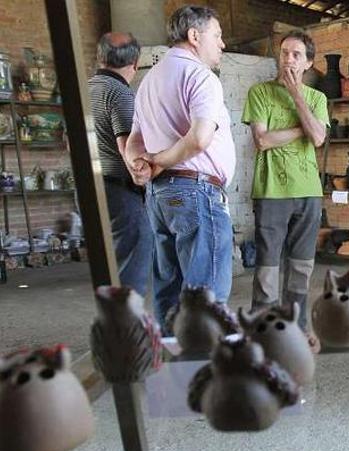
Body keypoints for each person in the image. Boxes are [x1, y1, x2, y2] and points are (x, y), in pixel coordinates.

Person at [125, 5, 234, 330]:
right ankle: (203, 370)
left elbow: (134, 140)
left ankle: (174, 366)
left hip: (160, 197)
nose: (222, 44)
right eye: (217, 35)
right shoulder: (201, 76)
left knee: (169, 290)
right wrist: (156, 161)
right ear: (195, 36)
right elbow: (199, 138)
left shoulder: (149, 80)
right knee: (207, 297)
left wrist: (138, 165)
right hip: (196, 192)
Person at [241, 29, 328, 334]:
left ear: (308, 63)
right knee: (267, 266)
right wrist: (303, 128)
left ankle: (296, 328)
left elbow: (318, 138)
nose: (288, 59)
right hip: (271, 191)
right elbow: (262, 140)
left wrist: (295, 95)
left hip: (308, 192)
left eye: (296, 55)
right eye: (284, 53)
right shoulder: (259, 93)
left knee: (302, 265)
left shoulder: (317, 97)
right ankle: (262, 328)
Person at [88, 32, 153, 296]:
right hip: (119, 189)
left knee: (111, 258)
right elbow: (128, 148)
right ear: (135, 63)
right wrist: (145, 176)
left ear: (100, 57)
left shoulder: (86, 89)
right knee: (133, 258)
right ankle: (123, 326)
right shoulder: (120, 94)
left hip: (93, 185)